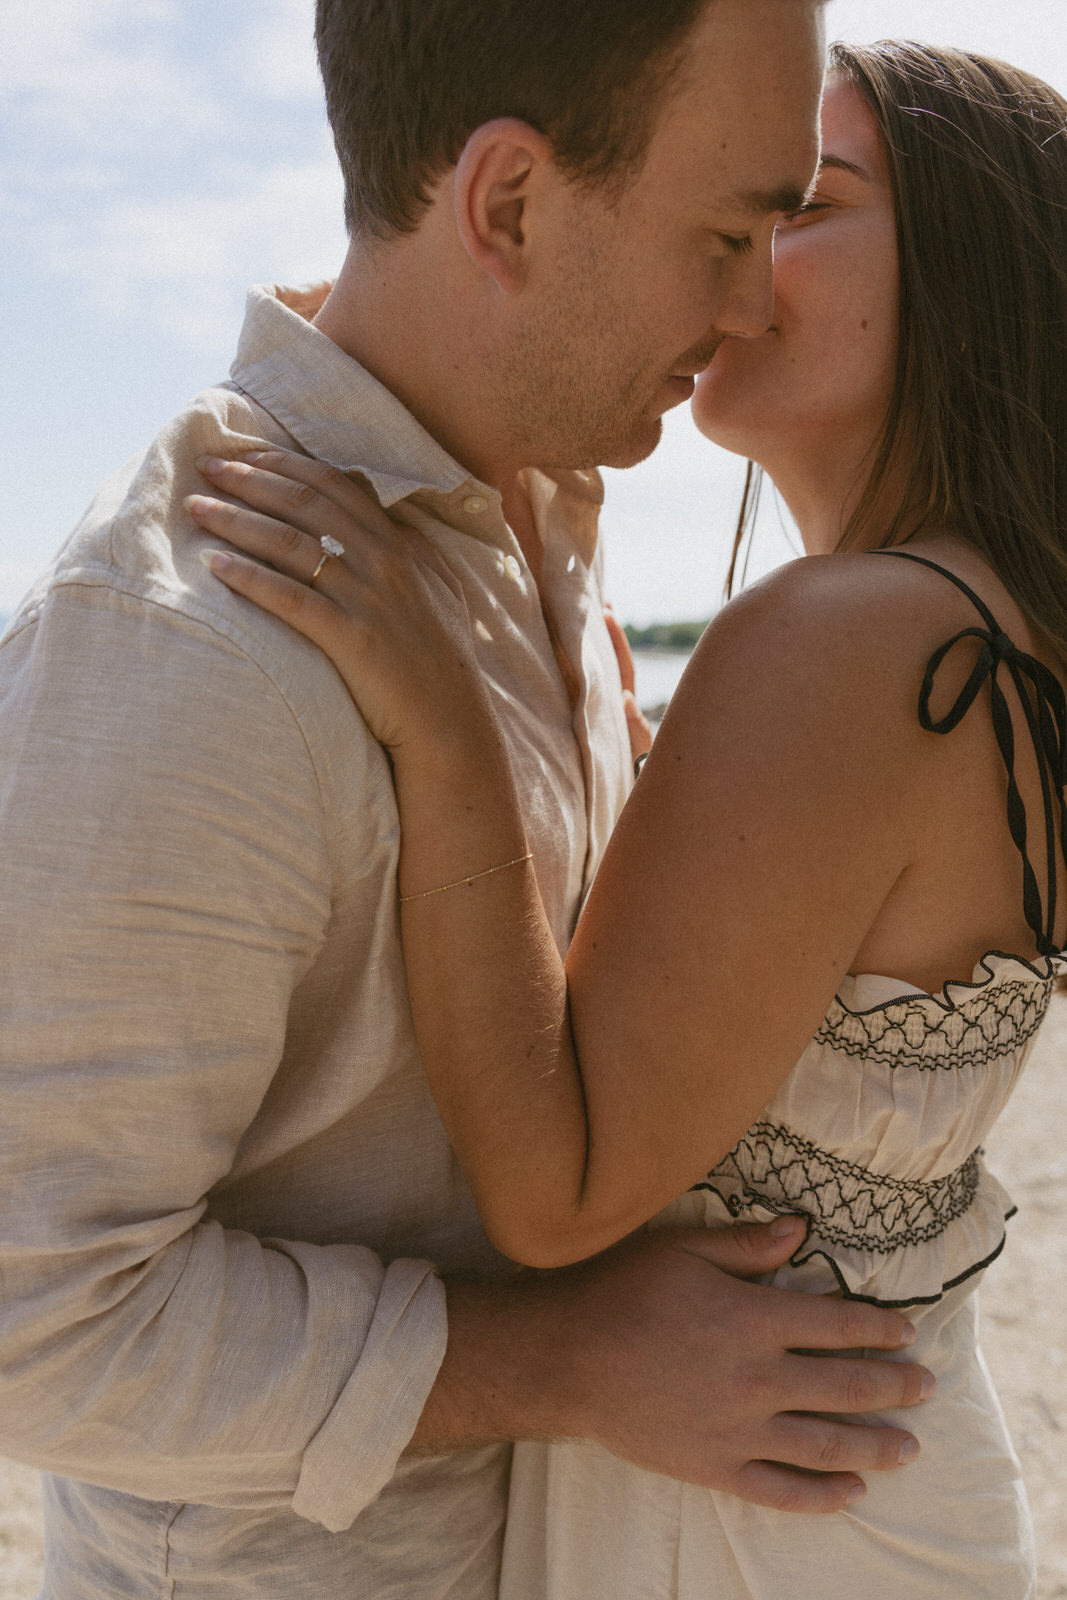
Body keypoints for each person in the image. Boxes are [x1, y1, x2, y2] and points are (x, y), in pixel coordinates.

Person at [0, 4, 937, 1598]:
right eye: (723, 231)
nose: (749, 305)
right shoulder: (192, 641)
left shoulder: (533, 502)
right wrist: (564, 1360)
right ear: (505, 204)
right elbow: (34, 1322)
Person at [194, 38, 1067, 1600]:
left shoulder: (852, 644)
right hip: (877, 1466)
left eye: (800, 213)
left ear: (968, 271)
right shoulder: (1001, 643)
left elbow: (558, 1187)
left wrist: (447, 725)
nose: (736, 272)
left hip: (740, 1513)